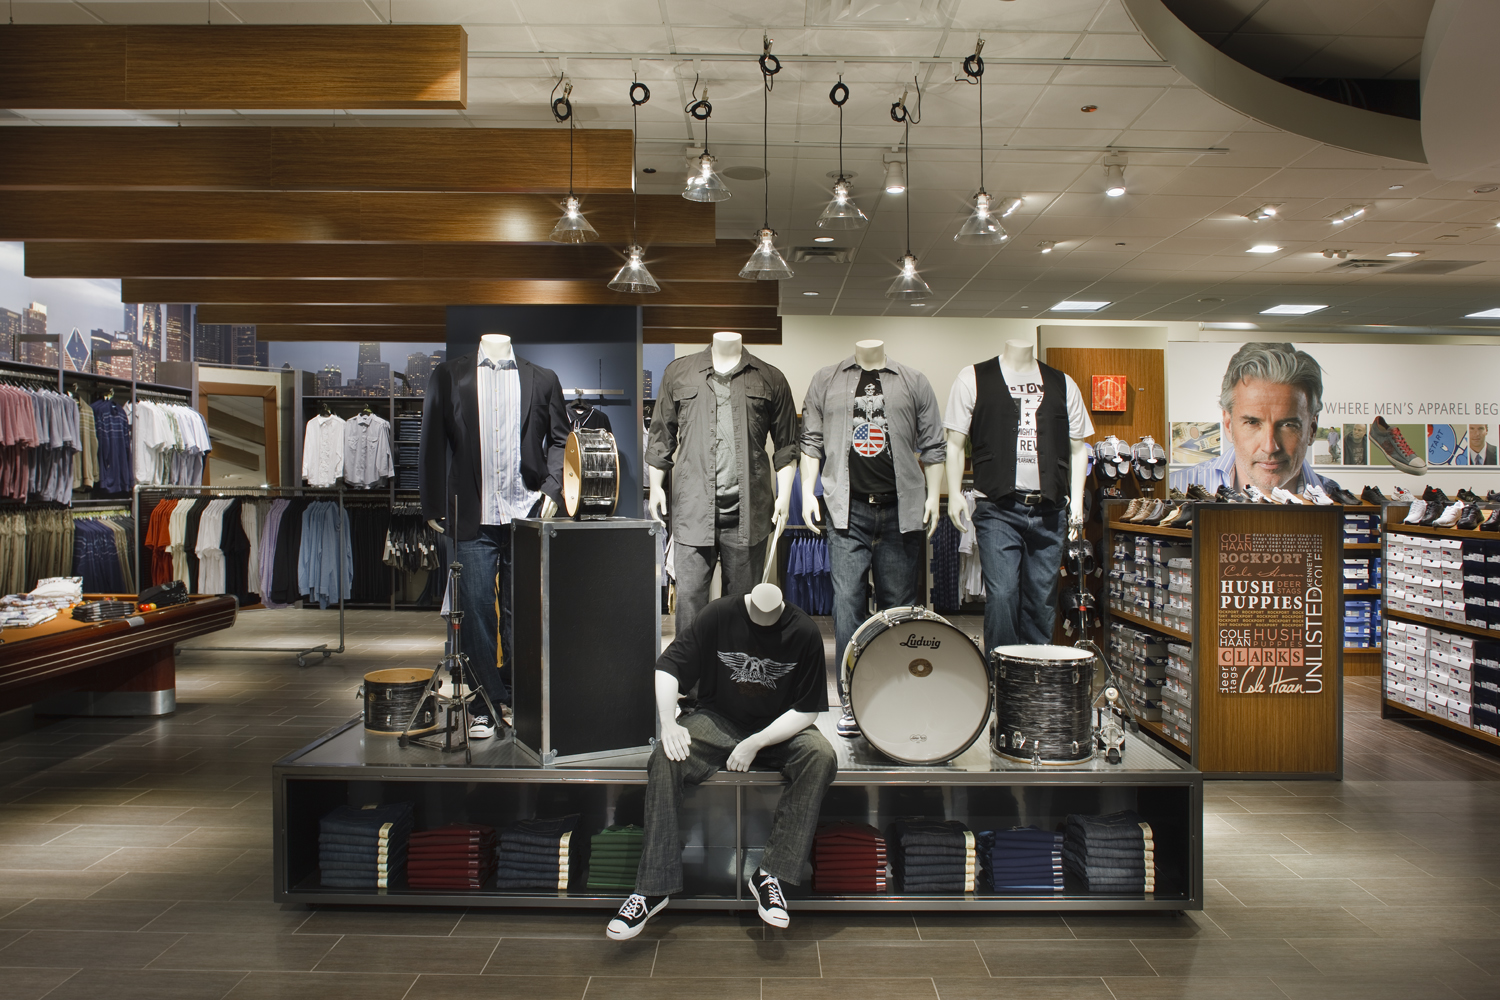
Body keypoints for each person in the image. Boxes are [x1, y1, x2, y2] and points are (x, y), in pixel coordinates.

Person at [605, 584, 835, 941]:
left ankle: (770, 874)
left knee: (820, 755)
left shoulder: (803, 631)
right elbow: (669, 666)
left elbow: (807, 709)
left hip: (778, 729)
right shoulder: (718, 615)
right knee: (666, 757)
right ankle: (653, 886)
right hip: (718, 720)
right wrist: (668, 723)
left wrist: (756, 742)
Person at [1170, 342, 1341, 495]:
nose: (1270, 447)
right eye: (1252, 423)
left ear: (1312, 430)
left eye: (1288, 425)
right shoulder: (1170, 489)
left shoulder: (1343, 509)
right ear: (1228, 425)